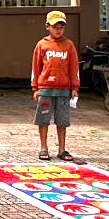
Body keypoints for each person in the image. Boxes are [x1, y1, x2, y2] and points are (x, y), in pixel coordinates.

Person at [32, 10, 79, 162]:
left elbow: (74, 68)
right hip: (45, 90)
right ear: (47, 26)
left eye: (61, 27)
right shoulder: (42, 45)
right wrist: (35, 89)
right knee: (43, 119)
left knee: (62, 121)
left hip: (64, 91)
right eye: (55, 26)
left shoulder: (69, 45)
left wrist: (74, 88)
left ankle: (62, 149)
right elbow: (36, 68)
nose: (58, 30)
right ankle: (44, 148)